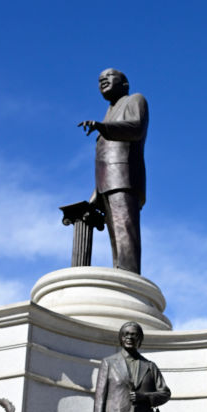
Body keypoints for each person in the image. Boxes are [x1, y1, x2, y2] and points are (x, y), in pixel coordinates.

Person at [78, 68, 148, 274]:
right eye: (99, 79)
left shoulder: (135, 99)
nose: (102, 81)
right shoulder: (109, 112)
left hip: (124, 178)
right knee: (115, 236)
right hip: (106, 183)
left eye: (108, 77)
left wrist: (103, 128)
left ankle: (130, 277)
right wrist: (95, 194)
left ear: (124, 84)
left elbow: (136, 128)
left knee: (125, 232)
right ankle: (121, 273)